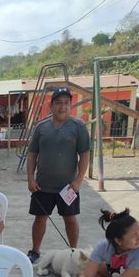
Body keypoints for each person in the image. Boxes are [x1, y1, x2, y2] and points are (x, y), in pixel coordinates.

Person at [26, 87, 90, 264]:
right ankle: (35, 251)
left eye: (66, 103)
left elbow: (84, 154)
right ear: (51, 105)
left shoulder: (78, 127)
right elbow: (32, 155)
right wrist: (30, 179)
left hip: (68, 187)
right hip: (42, 185)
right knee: (40, 219)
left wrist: (78, 181)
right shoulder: (41, 127)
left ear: (70, 105)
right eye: (58, 103)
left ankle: (73, 251)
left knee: (70, 219)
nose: (63, 107)